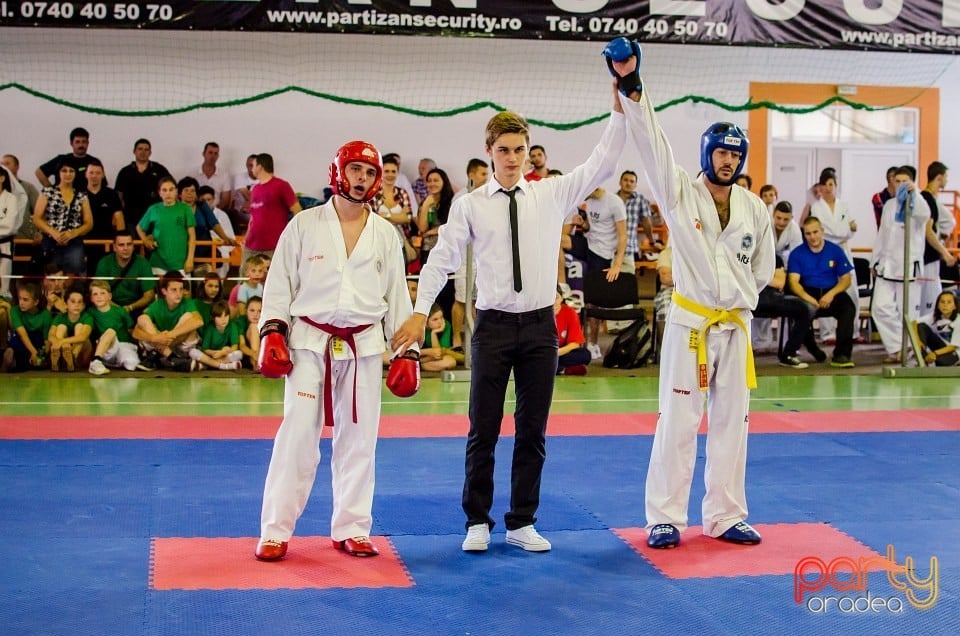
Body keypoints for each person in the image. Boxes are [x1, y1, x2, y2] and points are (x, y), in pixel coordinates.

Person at [390, 76, 627, 553]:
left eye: (520, 149)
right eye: (504, 150)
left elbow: (604, 160)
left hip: (540, 327)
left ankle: (521, 521)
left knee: (533, 431)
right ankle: (477, 521)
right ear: (489, 151)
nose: (514, 158)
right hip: (493, 326)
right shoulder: (470, 205)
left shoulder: (551, 193)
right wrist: (418, 312)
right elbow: (441, 260)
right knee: (483, 429)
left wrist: (619, 106)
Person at [605, 38, 775, 549]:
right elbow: (653, 145)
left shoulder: (754, 207)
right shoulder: (680, 191)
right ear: (707, 153)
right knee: (678, 421)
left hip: (735, 326)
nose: (728, 160)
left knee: (733, 424)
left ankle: (725, 515)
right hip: (692, 325)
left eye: (735, 154)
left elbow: (762, 270)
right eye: (722, 152)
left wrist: (734, 301)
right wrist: (632, 85)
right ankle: (665, 517)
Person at [254, 140, 418, 562]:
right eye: (355, 170)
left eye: (369, 172)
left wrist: (408, 353)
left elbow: (398, 297)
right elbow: (279, 283)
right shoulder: (304, 225)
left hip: (364, 347)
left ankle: (353, 527)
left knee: (360, 440)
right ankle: (275, 530)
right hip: (309, 344)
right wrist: (273, 331)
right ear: (338, 172)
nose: (361, 179)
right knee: (297, 436)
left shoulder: (385, 234)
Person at [872, 166, 942, 364]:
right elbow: (882, 235)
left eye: (905, 181)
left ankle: (905, 350)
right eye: (898, 181)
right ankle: (900, 345)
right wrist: (875, 260)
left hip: (908, 266)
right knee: (879, 307)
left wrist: (914, 195)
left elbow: (923, 215)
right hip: (886, 265)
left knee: (908, 313)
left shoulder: (919, 203)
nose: (901, 184)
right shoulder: (889, 205)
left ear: (912, 182)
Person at [787, 217, 856, 367]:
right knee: (802, 310)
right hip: (808, 291)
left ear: (822, 231)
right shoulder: (797, 254)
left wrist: (831, 294)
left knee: (848, 308)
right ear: (804, 234)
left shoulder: (835, 250)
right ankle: (813, 349)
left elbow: (846, 279)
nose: (812, 237)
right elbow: (793, 283)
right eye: (808, 234)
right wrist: (808, 299)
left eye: (815, 232)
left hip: (831, 291)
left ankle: (842, 354)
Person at [806, 168, 858, 344]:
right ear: (820, 187)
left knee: (851, 290)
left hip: (843, 249)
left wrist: (846, 230)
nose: (828, 188)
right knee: (827, 288)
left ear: (836, 186)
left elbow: (852, 230)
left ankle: (853, 332)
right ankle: (828, 333)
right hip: (825, 250)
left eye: (831, 184)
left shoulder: (844, 205)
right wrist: (845, 229)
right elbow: (828, 230)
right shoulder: (816, 207)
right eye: (825, 185)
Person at [582, 187, 628, 360]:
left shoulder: (614, 202)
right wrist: (583, 224)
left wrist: (617, 265)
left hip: (603, 253)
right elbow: (590, 227)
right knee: (562, 243)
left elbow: (623, 236)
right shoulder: (588, 199)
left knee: (594, 302)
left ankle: (593, 343)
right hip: (587, 245)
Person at [132, 270, 204, 371]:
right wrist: (154, 338)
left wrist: (169, 335)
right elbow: (135, 332)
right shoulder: (157, 305)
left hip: (181, 346)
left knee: (188, 317)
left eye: (181, 289)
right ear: (164, 291)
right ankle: (172, 358)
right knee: (142, 318)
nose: (178, 294)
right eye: (174, 290)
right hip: (160, 342)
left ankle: (158, 355)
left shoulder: (187, 303)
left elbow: (199, 321)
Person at [33, 162, 93, 275]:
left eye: (71, 171)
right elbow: (37, 218)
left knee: (74, 273)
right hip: (51, 240)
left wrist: (73, 233)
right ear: (58, 173)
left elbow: (89, 223)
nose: (68, 174)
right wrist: (54, 233)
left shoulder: (81, 195)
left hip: (74, 242)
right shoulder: (48, 192)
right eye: (64, 171)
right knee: (51, 273)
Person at [242, 153, 301, 263]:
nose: (252, 169)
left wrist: (292, 236)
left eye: (253, 165)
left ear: (260, 167)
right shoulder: (255, 189)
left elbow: (297, 211)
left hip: (274, 245)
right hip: (252, 245)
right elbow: (253, 217)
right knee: (245, 273)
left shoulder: (281, 186)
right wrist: (246, 237)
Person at [137, 176, 196, 276]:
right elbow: (139, 227)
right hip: (158, 262)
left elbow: (192, 236)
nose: (168, 193)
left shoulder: (185, 209)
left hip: (180, 263)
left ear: (176, 191)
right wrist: (145, 240)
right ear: (159, 193)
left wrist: (190, 259)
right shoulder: (153, 209)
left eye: (171, 189)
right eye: (164, 190)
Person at [919, 161, 957, 315]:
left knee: (931, 299)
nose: (947, 180)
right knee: (931, 302)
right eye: (946, 177)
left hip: (930, 258)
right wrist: (945, 253)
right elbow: (928, 231)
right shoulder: (927, 200)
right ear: (939, 177)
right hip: (927, 258)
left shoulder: (931, 200)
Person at [93, 230, 155, 316]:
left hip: (136, 309)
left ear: (133, 246)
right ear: (114, 247)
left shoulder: (143, 263)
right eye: (121, 245)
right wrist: (119, 310)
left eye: (129, 244)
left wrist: (130, 308)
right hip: (109, 308)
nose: (126, 248)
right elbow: (98, 293)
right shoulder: (104, 263)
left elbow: (149, 295)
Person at [87, 279, 141, 375]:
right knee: (110, 332)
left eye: (102, 293)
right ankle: (96, 362)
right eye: (95, 294)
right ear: (91, 298)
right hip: (106, 349)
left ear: (109, 296)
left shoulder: (120, 311)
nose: (99, 296)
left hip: (124, 345)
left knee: (132, 364)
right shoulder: (90, 312)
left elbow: (131, 330)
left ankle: (116, 363)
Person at [114, 138, 170, 230]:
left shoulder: (159, 169)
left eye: (146, 149)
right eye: (140, 149)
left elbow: (171, 188)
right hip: (130, 219)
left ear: (150, 153)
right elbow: (118, 196)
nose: (143, 152)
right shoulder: (125, 172)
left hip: (155, 218)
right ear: (134, 151)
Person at [82, 160, 124, 272]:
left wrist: (120, 239)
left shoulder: (111, 194)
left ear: (103, 174)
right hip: (84, 242)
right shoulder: (79, 194)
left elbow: (119, 218)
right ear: (86, 174)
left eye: (98, 173)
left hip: (107, 242)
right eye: (91, 173)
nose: (94, 176)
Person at [2, 281, 52, 372]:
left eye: (25, 300)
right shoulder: (15, 310)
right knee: (15, 344)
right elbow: (22, 334)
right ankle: (11, 360)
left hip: (37, 342)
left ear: (36, 302)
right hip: (22, 341)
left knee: (40, 355)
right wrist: (33, 352)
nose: (21, 302)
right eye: (20, 299)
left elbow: (46, 340)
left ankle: (27, 363)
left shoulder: (45, 315)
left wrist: (41, 354)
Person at [35, 127, 100, 193]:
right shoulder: (61, 160)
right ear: (71, 143)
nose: (81, 145)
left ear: (88, 143)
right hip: (62, 198)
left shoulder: (94, 162)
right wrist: (52, 192)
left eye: (84, 142)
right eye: (77, 142)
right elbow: (39, 172)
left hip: (86, 198)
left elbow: (101, 185)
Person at [47, 286, 93, 372]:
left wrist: (63, 342)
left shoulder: (87, 317)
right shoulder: (60, 317)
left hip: (82, 354)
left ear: (83, 306)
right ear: (66, 304)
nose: (76, 305)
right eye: (73, 301)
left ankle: (73, 357)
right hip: (63, 349)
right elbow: (50, 335)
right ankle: (59, 359)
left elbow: (83, 337)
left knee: (79, 326)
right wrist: (60, 344)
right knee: (61, 327)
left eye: (80, 302)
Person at [189, 300, 243, 371]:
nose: (223, 319)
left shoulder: (232, 326)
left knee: (239, 354)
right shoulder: (210, 328)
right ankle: (224, 366)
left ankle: (208, 365)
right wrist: (214, 353)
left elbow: (235, 347)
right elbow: (205, 349)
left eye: (226, 316)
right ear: (213, 318)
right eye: (220, 317)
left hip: (224, 355)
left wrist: (223, 352)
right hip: (211, 355)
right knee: (192, 352)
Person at [0, 163, 28, 300]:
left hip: (4, 245)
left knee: (3, 286)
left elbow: (10, 225)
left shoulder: (11, 199)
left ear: (2, 178)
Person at [916, 290, 960, 366]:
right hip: (941, 347)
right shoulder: (934, 316)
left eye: (949, 302)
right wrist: (918, 341)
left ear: (955, 306)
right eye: (942, 302)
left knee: (941, 362)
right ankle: (923, 359)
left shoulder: (958, 320)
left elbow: (953, 347)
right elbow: (913, 323)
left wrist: (934, 353)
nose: (945, 305)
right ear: (938, 305)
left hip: (955, 352)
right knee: (921, 326)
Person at [554, 287, 589, 375]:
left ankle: (557, 368)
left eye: (556, 297)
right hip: (543, 352)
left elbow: (575, 344)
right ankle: (563, 369)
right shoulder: (539, 313)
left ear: (561, 298)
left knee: (585, 355)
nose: (553, 301)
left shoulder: (569, 312)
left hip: (561, 352)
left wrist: (557, 352)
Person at [420, 303, 458, 372]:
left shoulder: (446, 325)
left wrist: (433, 333)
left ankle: (421, 365)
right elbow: (410, 352)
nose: (440, 321)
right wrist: (428, 352)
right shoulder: (419, 329)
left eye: (441, 317)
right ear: (425, 323)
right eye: (435, 319)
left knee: (451, 362)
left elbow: (438, 354)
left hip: (429, 359)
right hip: (418, 356)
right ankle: (421, 364)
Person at [195, 142, 232, 212]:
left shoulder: (224, 175)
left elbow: (225, 200)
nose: (213, 156)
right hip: (197, 212)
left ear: (218, 156)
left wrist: (213, 212)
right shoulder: (193, 174)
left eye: (216, 153)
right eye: (210, 152)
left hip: (216, 212)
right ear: (203, 154)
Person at [237, 295, 262, 369]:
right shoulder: (240, 322)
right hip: (247, 355)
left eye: (259, 311)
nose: (255, 314)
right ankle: (256, 364)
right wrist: (254, 354)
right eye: (252, 310)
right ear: (246, 311)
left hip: (262, 353)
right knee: (254, 326)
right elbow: (242, 346)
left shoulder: (266, 321)